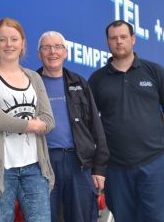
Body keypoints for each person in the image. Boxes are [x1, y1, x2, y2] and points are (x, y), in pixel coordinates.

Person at [88, 20, 164, 222]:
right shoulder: (97, 80)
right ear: (107, 42)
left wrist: (151, 136)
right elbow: (91, 121)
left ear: (133, 39)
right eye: (113, 38)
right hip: (116, 167)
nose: (118, 42)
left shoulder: (154, 72)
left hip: (154, 163)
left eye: (123, 37)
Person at [0, 17, 55, 222]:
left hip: (34, 166)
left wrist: (40, 125)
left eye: (14, 39)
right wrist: (31, 124)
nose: (9, 44)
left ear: (23, 43)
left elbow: (49, 120)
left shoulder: (34, 77)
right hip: (0, 167)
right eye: (2, 40)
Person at [36, 31, 109, 222]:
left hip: (78, 162)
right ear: (39, 54)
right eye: (46, 47)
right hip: (43, 164)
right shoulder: (30, 83)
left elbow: (96, 126)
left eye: (58, 47)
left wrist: (99, 168)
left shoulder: (79, 83)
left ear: (66, 52)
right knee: (42, 217)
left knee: (82, 217)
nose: (53, 52)